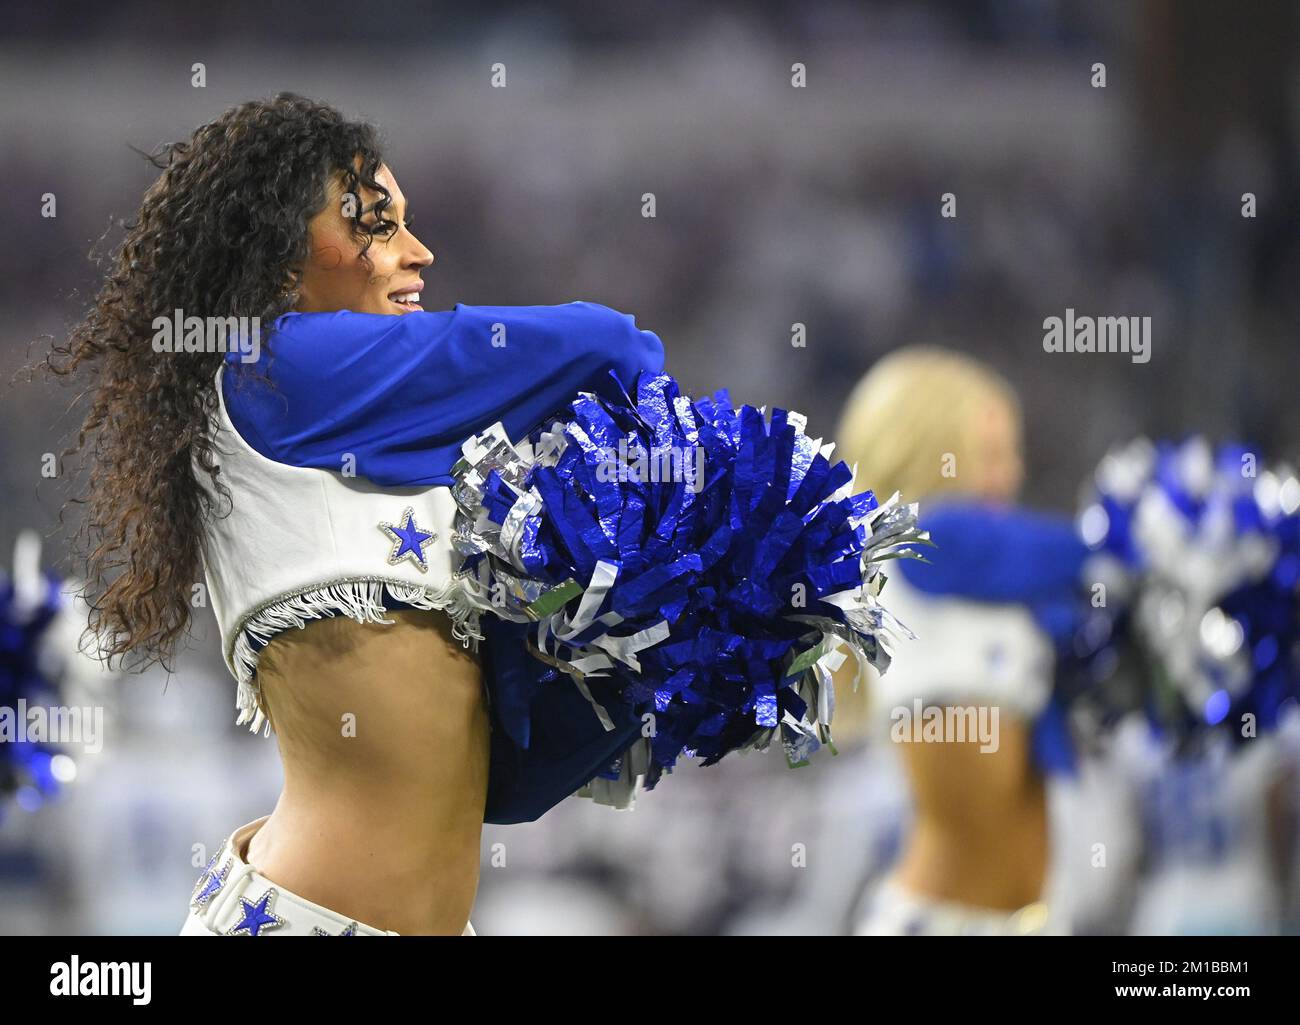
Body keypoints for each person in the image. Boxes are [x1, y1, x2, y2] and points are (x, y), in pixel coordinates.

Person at [835, 347, 1086, 935]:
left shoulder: (984, 589)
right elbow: (1073, 556)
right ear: (928, 456)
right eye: (992, 455)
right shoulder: (924, 544)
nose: (1013, 475)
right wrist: (1149, 536)